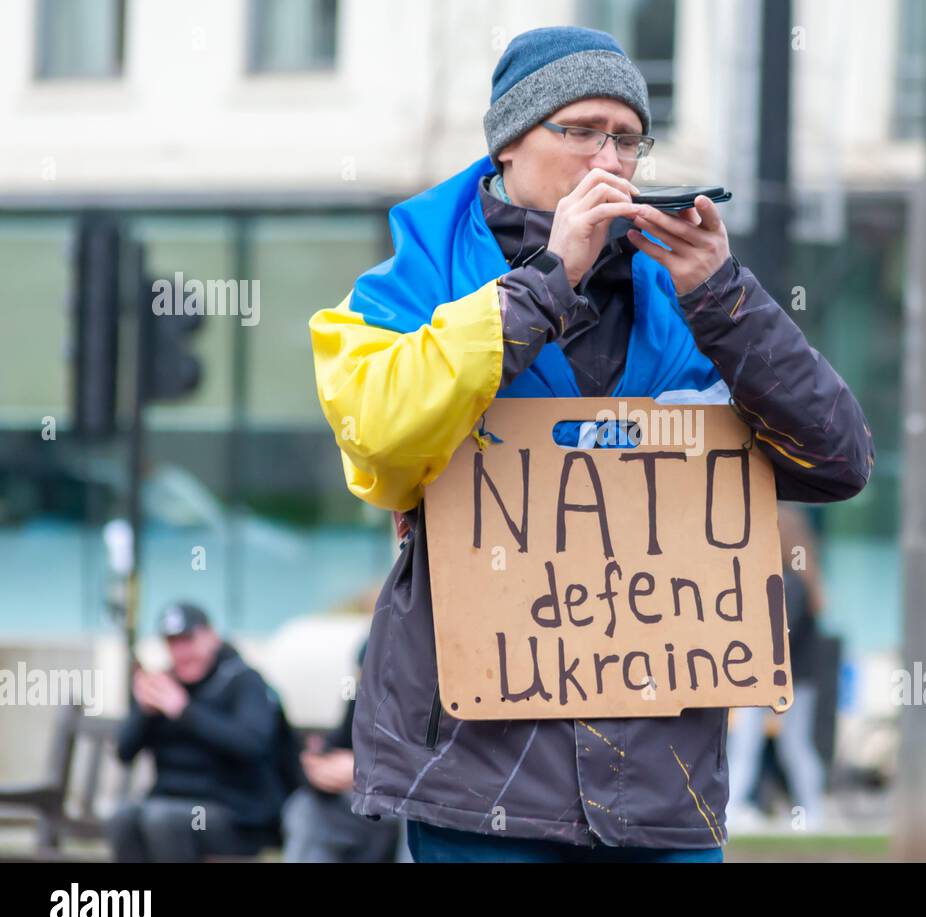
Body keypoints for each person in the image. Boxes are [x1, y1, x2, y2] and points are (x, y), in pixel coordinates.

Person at [308, 25, 873, 862]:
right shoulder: (413, 277)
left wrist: (725, 298)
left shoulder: (682, 296)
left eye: (628, 137)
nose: (608, 159)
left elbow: (837, 458)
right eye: (580, 131)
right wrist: (545, 283)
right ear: (507, 142)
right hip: (482, 783)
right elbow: (381, 433)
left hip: (661, 783)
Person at [109, 603, 288, 862]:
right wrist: (143, 712)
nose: (181, 652)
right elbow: (123, 753)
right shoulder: (165, 685)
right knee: (124, 818)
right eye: (172, 643)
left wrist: (184, 712)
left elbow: (252, 744)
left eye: (188, 640)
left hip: (236, 815)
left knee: (163, 819)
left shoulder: (243, 681)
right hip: (169, 800)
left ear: (211, 636)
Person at [726, 503, 829, 831]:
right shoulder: (798, 582)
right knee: (765, 745)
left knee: (772, 746)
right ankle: (738, 807)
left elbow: (778, 635)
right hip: (784, 679)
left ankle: (810, 810)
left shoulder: (790, 584)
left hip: (781, 680)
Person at [282, 642, 403, 862]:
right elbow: (337, 747)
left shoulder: (439, 700)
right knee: (305, 807)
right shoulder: (359, 696)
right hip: (366, 809)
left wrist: (370, 772)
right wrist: (316, 769)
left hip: (413, 807)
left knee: (418, 815)